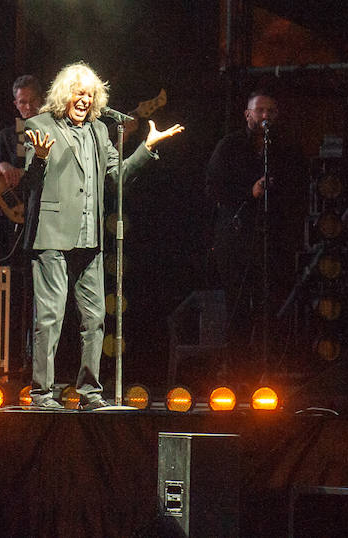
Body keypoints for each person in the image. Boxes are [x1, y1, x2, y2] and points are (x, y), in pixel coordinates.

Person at [20, 62, 184, 410]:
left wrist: (147, 148)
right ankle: (41, 395)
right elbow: (28, 188)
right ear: (65, 94)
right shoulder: (39, 126)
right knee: (49, 318)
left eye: (90, 95)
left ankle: (90, 393)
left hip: (90, 239)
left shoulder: (99, 131)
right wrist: (41, 159)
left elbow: (117, 178)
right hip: (51, 238)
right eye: (79, 93)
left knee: (94, 318)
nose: (84, 100)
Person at [203, 90, 305, 363]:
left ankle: (268, 367)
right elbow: (214, 188)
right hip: (236, 238)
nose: (265, 116)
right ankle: (236, 369)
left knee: (270, 305)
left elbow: (298, 191)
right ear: (247, 114)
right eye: (260, 111)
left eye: (270, 111)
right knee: (237, 305)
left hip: (273, 239)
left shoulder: (286, 149)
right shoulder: (229, 146)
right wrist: (249, 191)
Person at [0, 74, 45, 207]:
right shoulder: (6, 136)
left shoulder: (54, 132)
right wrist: (0, 168)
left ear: (41, 100)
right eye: (22, 102)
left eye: (33, 100)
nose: (28, 107)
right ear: (16, 104)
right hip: (15, 215)